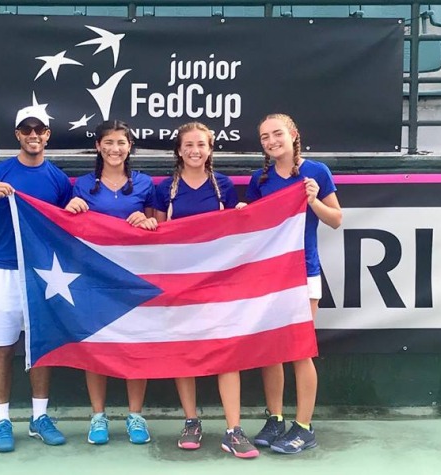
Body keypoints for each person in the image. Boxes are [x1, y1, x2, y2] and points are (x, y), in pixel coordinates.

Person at [0, 105, 73, 453]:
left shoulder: (57, 178)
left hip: (43, 274)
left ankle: (39, 418)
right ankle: (2, 420)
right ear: (17, 135)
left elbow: (69, 226)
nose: (33, 136)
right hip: (5, 272)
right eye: (26, 130)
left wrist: (75, 210)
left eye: (38, 130)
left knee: (40, 348)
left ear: (47, 136)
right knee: (3, 348)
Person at [153, 121, 259, 459]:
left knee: (227, 352)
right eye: (188, 145)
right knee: (185, 351)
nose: (195, 150)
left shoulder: (223, 186)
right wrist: (145, 223)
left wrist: (242, 214)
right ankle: (191, 420)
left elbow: (233, 231)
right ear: (179, 150)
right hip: (178, 283)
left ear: (210, 149)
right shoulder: (164, 188)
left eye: (201, 144)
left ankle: (233, 429)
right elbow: (155, 234)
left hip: (218, 283)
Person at [246, 113, 342, 455]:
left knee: (299, 350)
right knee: (271, 350)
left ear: (293, 135)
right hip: (269, 276)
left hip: (304, 272)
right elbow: (254, 226)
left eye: (277, 134)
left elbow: (336, 220)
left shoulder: (317, 172)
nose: (271, 141)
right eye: (265, 137)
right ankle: (276, 419)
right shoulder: (260, 179)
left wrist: (313, 200)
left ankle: (304, 426)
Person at [64, 120, 157, 445]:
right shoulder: (82, 185)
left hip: (133, 279)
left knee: (136, 346)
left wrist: (147, 221)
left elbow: (159, 228)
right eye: (109, 142)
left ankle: (135, 416)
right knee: (97, 347)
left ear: (130, 147)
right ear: (98, 147)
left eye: (121, 142)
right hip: (94, 280)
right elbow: (69, 230)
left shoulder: (145, 184)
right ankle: (98, 416)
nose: (115, 149)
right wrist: (69, 210)